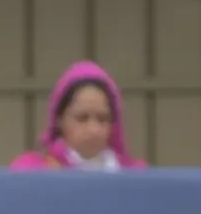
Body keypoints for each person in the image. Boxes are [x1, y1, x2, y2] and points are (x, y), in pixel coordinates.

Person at [10, 61, 147, 172]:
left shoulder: (136, 176)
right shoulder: (33, 171)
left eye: (103, 119)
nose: (93, 130)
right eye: (82, 118)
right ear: (59, 120)